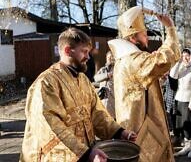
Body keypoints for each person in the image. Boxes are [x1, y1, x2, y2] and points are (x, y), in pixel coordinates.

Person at [20, 28, 137, 162]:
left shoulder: (83, 80)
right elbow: (50, 127)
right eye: (84, 51)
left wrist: (120, 132)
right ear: (67, 51)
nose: (88, 57)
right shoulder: (46, 83)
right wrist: (86, 153)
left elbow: (97, 113)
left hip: (84, 153)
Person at [108, 6, 180, 162]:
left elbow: (141, 87)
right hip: (143, 130)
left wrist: (156, 78)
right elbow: (166, 58)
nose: (147, 38)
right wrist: (170, 28)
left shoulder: (124, 60)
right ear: (133, 37)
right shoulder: (134, 59)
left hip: (134, 126)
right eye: (145, 34)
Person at [170, 48, 191, 158]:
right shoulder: (181, 67)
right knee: (182, 125)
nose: (185, 58)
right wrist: (179, 62)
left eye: (187, 56)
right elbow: (172, 75)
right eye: (183, 55)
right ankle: (187, 145)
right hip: (180, 99)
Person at [94, 51, 115, 118]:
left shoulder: (117, 69)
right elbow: (96, 78)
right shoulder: (103, 69)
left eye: (111, 57)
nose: (110, 59)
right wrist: (107, 75)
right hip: (103, 98)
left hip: (113, 98)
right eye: (108, 57)